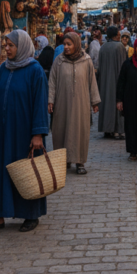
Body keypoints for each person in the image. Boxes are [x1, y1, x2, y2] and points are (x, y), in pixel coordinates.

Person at [0, 30, 49, 234]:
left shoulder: (35, 71)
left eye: (11, 45)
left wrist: (38, 134)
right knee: (1, 171)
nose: (7, 49)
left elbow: (40, 104)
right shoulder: (5, 69)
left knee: (28, 172)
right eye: (5, 45)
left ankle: (30, 214)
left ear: (23, 47)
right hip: (4, 131)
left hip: (25, 133)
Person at [48, 32, 101, 175]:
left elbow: (92, 82)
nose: (65, 47)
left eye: (69, 44)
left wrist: (95, 101)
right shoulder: (59, 61)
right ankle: (63, 160)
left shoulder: (86, 60)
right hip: (62, 103)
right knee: (61, 131)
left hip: (81, 103)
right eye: (64, 44)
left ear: (76, 45)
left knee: (79, 131)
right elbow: (52, 82)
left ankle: (79, 162)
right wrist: (50, 100)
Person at [97, 26, 127, 139]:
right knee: (117, 103)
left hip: (104, 81)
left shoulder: (103, 47)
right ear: (116, 35)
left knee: (106, 103)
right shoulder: (119, 46)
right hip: (116, 80)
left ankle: (107, 129)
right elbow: (123, 66)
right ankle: (117, 129)